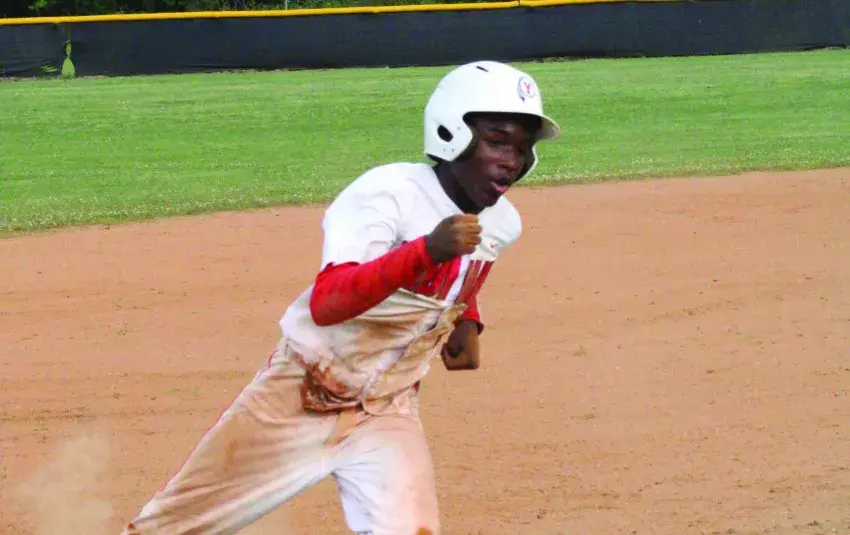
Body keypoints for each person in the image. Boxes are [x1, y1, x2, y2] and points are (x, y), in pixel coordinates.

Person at [120, 59, 560, 535]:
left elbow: (463, 274)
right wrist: (426, 250)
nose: (511, 161)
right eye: (497, 141)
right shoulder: (387, 193)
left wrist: (465, 321)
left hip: (388, 410)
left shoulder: (502, 223)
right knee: (171, 528)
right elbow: (328, 302)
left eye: (522, 148)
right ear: (453, 132)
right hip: (299, 396)